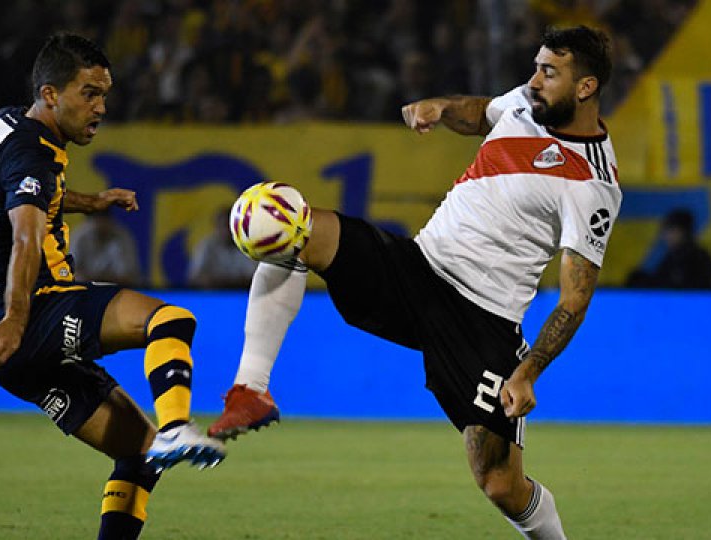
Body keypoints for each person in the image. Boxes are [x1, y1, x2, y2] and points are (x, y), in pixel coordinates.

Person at [210, 26, 621, 539]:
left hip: (482, 321)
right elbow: (482, 112)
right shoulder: (525, 102)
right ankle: (251, 388)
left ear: (585, 87)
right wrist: (442, 108)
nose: (535, 80)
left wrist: (527, 373)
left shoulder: (593, 183)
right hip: (418, 269)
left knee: (500, 484)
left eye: (550, 72)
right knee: (289, 228)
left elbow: (575, 299)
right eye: (536, 67)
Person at [0, 34, 224, 540]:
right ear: (51, 94)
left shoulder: (9, 124)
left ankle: (162, 442)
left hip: (9, 355)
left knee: (138, 455)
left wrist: (91, 202)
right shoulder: (32, 153)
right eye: (89, 93)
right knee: (169, 320)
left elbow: (25, 194)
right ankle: (177, 427)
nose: (100, 107)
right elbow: (26, 237)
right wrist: (16, 319)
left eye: (104, 94)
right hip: (34, 314)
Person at [626, 208, 711, 289]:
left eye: (670, 230)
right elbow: (659, 281)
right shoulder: (671, 257)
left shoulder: (699, 258)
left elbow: (692, 289)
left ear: (683, 232)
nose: (665, 236)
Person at [187, 207, 258, 289]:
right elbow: (195, 277)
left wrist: (220, 282)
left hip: (243, 294)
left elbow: (256, 279)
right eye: (223, 225)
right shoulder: (206, 246)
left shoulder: (249, 245)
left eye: (229, 225)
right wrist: (232, 282)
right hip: (212, 294)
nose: (227, 230)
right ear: (216, 227)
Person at [71, 211, 143, 287]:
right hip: (86, 289)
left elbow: (128, 277)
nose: (101, 224)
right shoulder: (80, 236)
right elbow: (73, 272)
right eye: (98, 220)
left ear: (110, 221)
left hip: (116, 288)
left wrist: (97, 279)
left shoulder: (122, 236)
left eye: (103, 220)